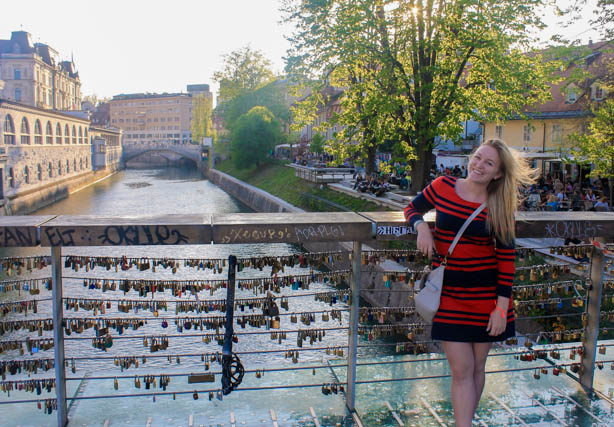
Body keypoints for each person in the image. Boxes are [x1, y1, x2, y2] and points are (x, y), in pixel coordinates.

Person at [404, 139, 534, 427]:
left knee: (476, 368)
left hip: (486, 298)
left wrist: (501, 309)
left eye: (489, 163)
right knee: (461, 368)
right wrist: (422, 227)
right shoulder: (443, 186)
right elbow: (411, 209)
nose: (479, 165)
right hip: (449, 294)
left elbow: (506, 259)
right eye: (478, 158)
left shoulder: (499, 204)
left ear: (498, 173)